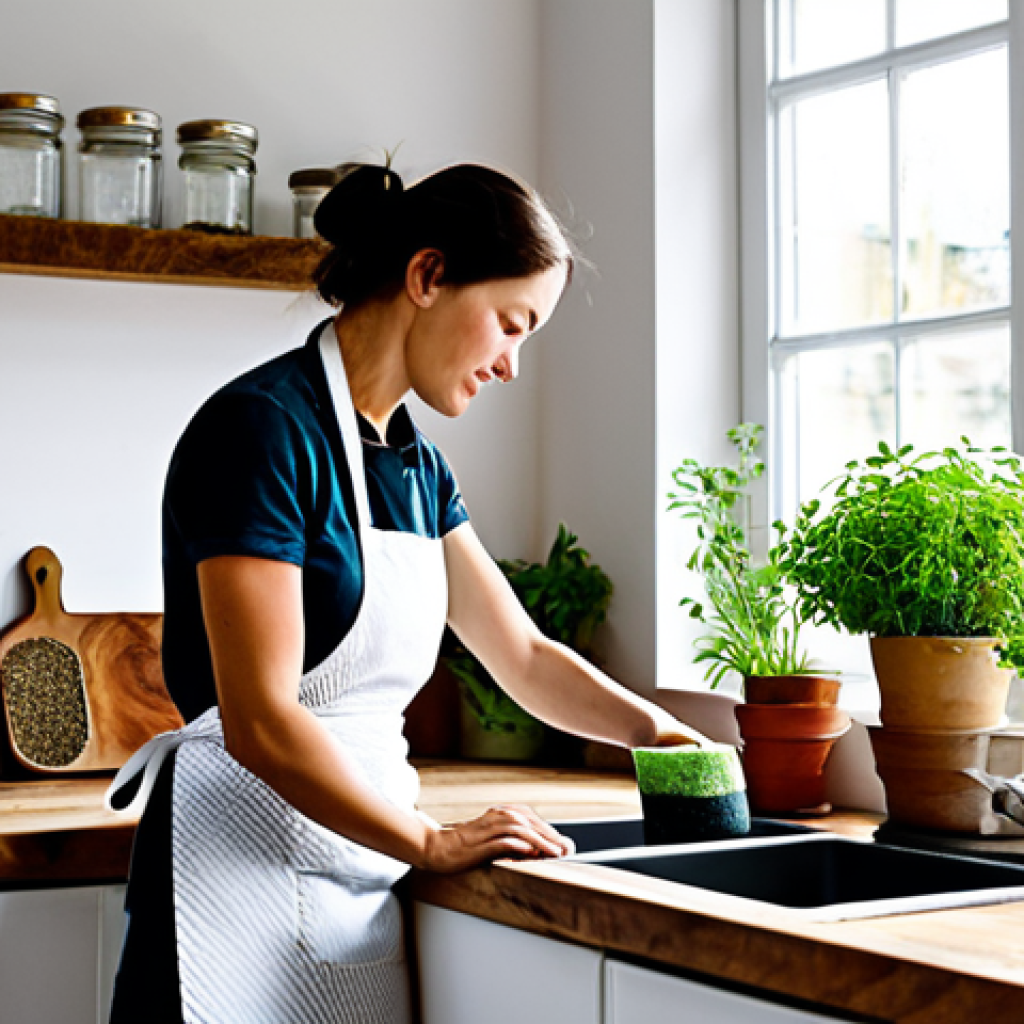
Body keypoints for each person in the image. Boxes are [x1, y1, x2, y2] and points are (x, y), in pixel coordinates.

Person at [106, 162, 707, 1024]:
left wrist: (652, 730)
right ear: (427, 276)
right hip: (230, 881)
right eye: (510, 324)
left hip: (355, 872)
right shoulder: (262, 432)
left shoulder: (418, 468)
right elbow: (262, 719)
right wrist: (430, 840)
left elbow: (525, 657)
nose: (510, 367)